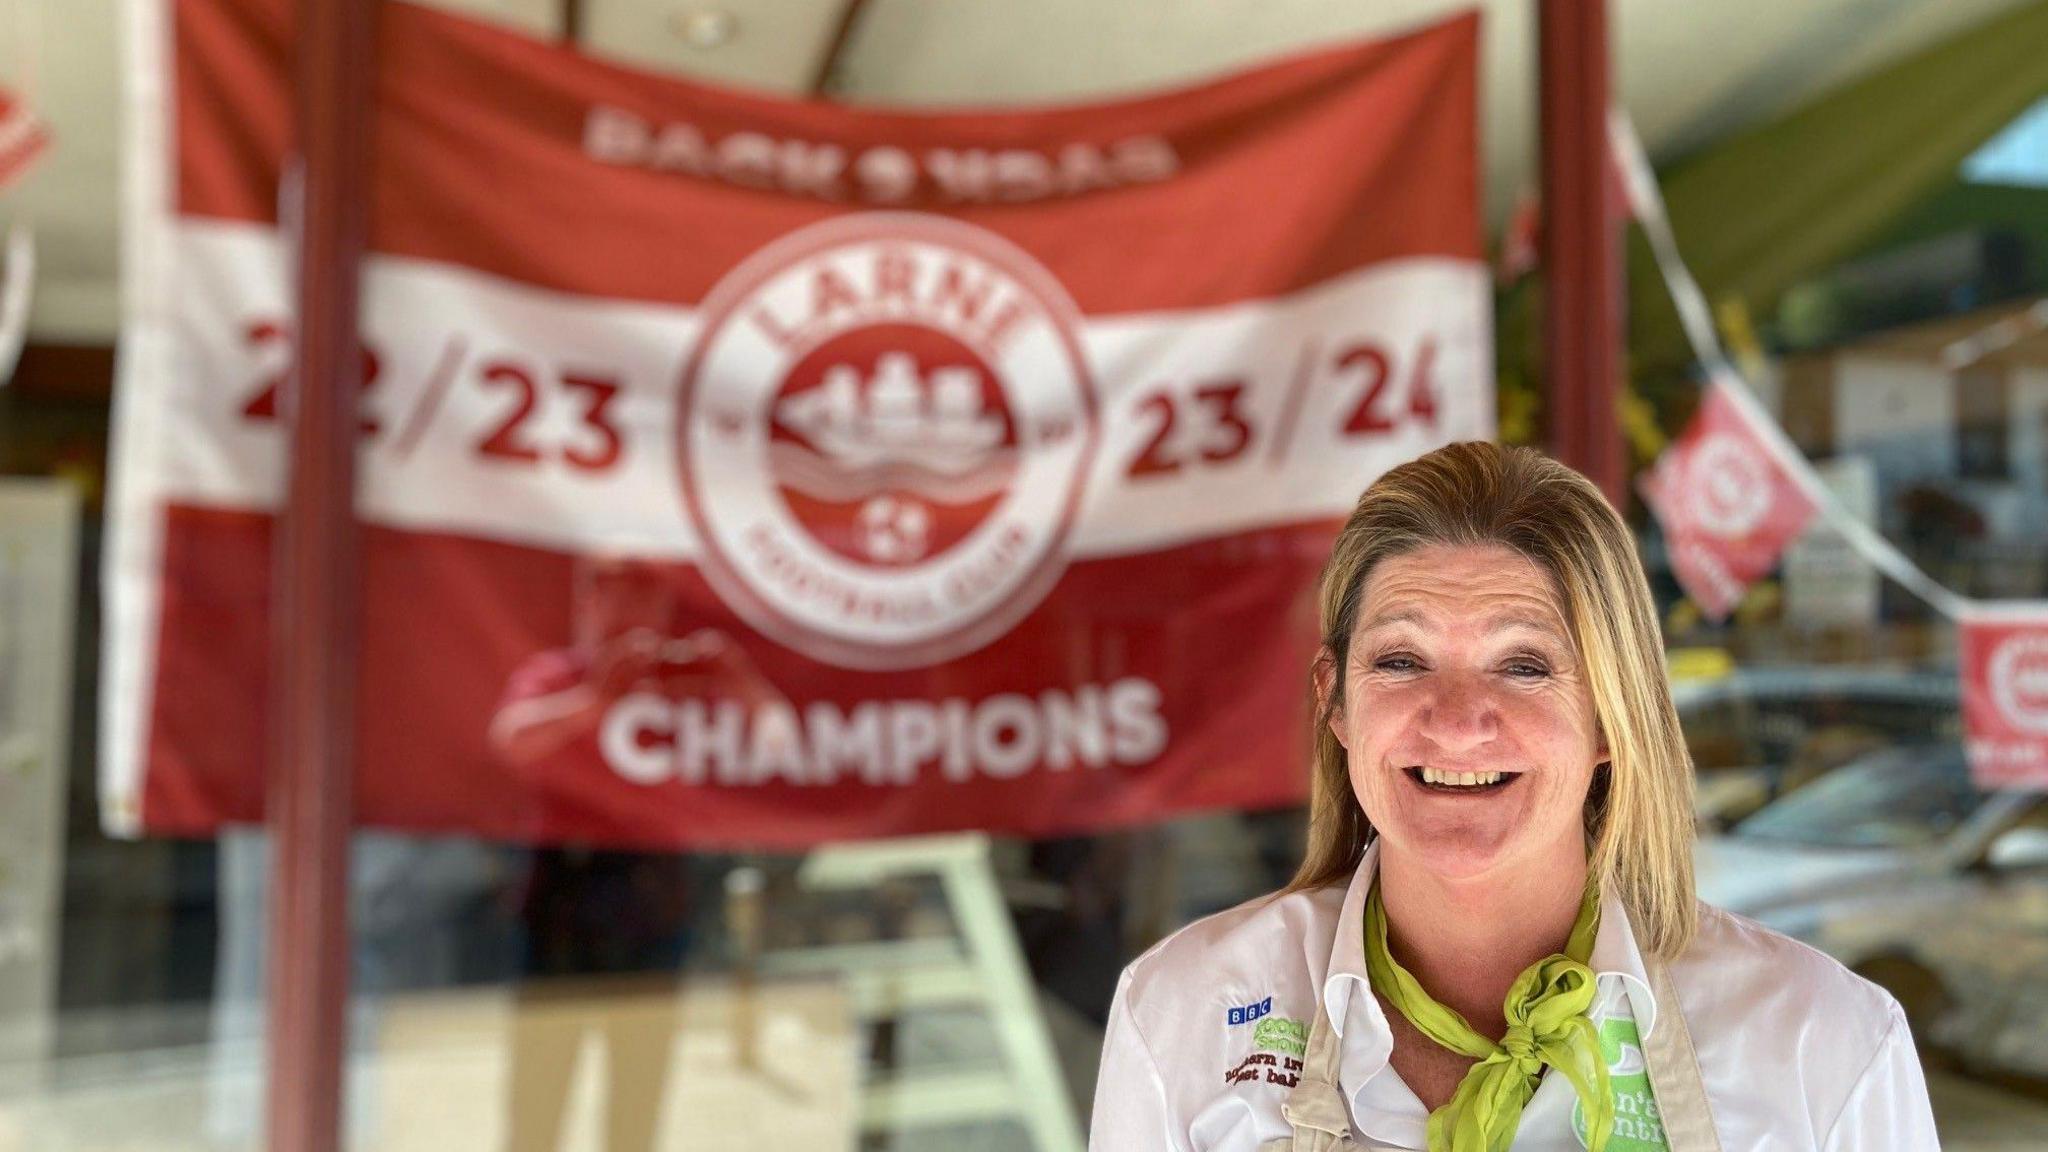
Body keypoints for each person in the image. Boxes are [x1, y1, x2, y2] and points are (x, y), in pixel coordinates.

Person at [1089, 442, 1938, 1151]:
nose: (1457, 724)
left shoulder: (1821, 1044)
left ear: (1613, 716)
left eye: (1524, 665)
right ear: (1335, 703)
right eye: (1400, 660)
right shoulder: (1186, 1015)